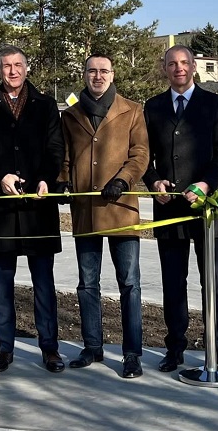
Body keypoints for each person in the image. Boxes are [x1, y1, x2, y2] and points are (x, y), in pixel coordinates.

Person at [0, 45, 65, 373]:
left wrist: (45, 180)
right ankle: (4, 348)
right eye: (6, 66)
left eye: (18, 65)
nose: (12, 71)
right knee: (3, 281)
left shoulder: (46, 106)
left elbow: (55, 148)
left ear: (27, 67)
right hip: (2, 209)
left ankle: (49, 347)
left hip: (39, 206)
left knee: (43, 282)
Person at [142, 44, 218, 373]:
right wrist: (154, 182)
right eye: (172, 64)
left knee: (212, 281)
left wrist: (206, 184)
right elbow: (143, 157)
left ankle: (216, 347)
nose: (178, 68)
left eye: (184, 63)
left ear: (193, 67)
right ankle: (175, 346)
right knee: (173, 281)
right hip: (169, 209)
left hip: (207, 209)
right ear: (165, 69)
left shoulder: (214, 104)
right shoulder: (153, 107)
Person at [58, 54, 149, 379]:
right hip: (86, 210)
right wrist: (63, 179)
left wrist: (123, 180)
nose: (98, 76)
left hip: (121, 207)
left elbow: (140, 154)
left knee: (130, 283)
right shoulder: (70, 114)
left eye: (103, 71)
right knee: (87, 284)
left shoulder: (132, 110)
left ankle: (132, 353)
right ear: (84, 74)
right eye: (92, 71)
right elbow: (66, 156)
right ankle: (92, 346)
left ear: (113, 74)